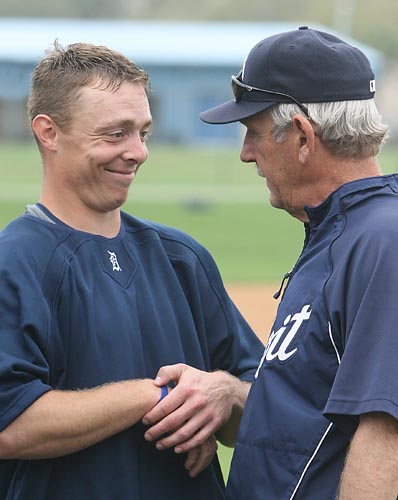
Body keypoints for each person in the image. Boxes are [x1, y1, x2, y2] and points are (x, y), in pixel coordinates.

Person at [0, 42, 264, 499]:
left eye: (143, 131)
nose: (138, 152)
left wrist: (222, 394)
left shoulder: (183, 257)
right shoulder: (15, 262)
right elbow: (9, 424)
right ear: (48, 132)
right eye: (115, 133)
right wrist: (155, 397)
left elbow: (267, 401)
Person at [200, 26, 398, 499]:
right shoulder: (345, 230)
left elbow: (385, 436)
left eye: (253, 133)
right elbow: (316, 412)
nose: (247, 154)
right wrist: (232, 393)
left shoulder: (381, 242)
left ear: (304, 137)